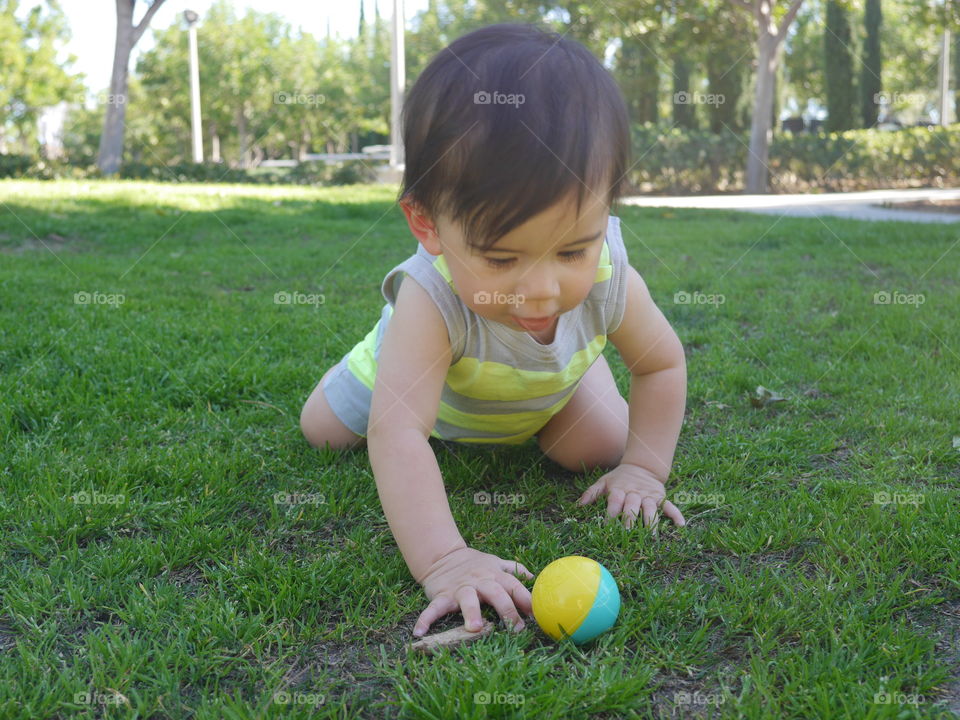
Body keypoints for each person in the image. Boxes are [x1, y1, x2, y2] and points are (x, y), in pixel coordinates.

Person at [299, 22, 687, 639]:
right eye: (501, 260)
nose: (540, 290)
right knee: (320, 432)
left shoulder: (611, 274)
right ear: (427, 225)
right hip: (417, 386)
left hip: (534, 387)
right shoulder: (432, 296)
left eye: (571, 251)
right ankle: (373, 358)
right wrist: (447, 561)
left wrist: (644, 468)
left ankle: (571, 370)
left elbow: (660, 364)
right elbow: (399, 432)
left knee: (598, 449)